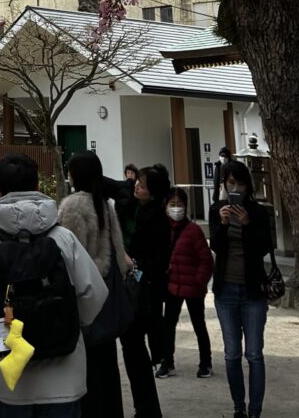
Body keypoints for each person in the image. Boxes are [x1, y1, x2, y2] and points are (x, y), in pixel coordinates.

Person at [0, 152, 106, 418]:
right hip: (64, 366)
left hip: (14, 372)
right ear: (37, 186)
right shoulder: (63, 238)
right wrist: (71, 321)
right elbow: (93, 292)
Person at [58, 151, 130, 418]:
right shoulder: (105, 204)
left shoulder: (73, 206)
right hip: (107, 294)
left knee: (86, 371)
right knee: (107, 366)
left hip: (84, 298)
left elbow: (67, 256)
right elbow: (118, 253)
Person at [210, 159, 270, 418]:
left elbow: (264, 247)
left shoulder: (257, 212)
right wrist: (223, 225)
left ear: (247, 186)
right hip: (226, 291)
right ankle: (238, 407)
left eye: (240, 183)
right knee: (232, 353)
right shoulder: (217, 209)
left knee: (254, 353)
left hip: (253, 291)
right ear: (224, 184)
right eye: (230, 183)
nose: (235, 188)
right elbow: (216, 247)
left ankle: (255, 410)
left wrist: (247, 225)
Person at [120, 164, 171, 418]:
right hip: (141, 290)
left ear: (153, 192)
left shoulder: (157, 220)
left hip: (144, 293)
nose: (136, 186)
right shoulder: (138, 210)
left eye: (142, 184)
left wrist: (133, 266)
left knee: (135, 351)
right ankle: (146, 407)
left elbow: (155, 265)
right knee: (134, 351)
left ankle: (147, 409)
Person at [156, 187, 213, 379]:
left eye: (179, 205)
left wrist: (199, 281)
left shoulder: (193, 231)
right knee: (168, 324)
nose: (176, 208)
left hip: (193, 288)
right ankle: (167, 361)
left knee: (199, 325)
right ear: (165, 207)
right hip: (173, 286)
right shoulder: (162, 230)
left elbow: (206, 260)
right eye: (172, 205)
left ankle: (206, 363)